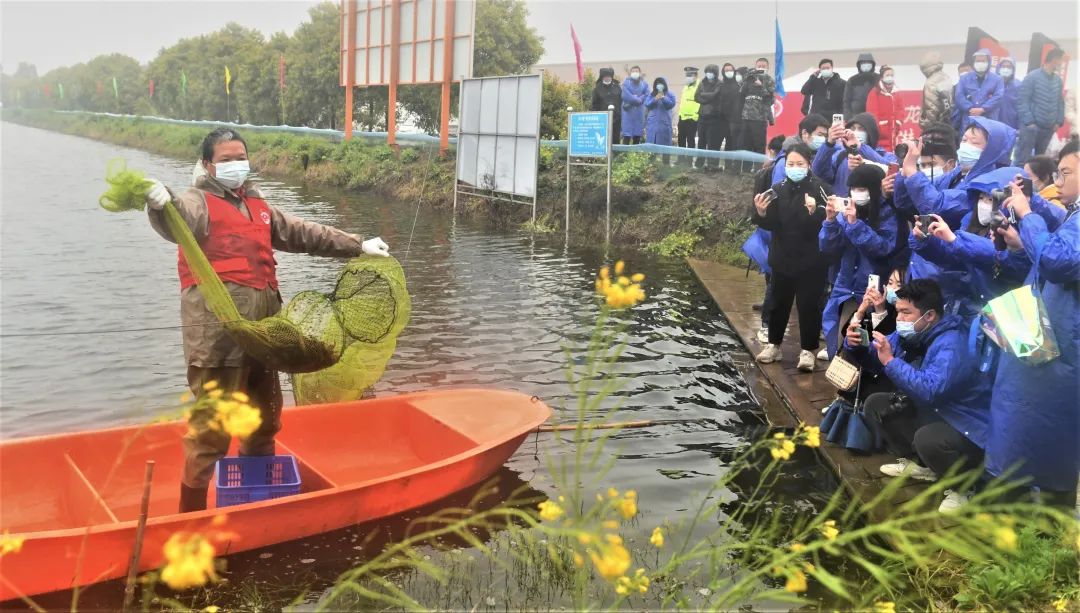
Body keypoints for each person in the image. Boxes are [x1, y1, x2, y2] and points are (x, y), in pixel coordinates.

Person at [143, 128, 391, 512]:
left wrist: (357, 245)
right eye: (225, 159)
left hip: (264, 337)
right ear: (207, 164)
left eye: (240, 157)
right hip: (218, 341)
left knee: (264, 420)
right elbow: (177, 219)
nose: (235, 165)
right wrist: (161, 205)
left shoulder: (254, 203)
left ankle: (255, 505)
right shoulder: (197, 201)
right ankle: (188, 517)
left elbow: (302, 233)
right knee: (213, 431)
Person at [984, 138, 1079, 507]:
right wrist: (1033, 203)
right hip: (1046, 335)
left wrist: (1027, 214)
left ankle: (1032, 528)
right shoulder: (1073, 210)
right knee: (1024, 424)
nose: (1060, 180)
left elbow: (1060, 259)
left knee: (1035, 430)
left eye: (1066, 172)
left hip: (1061, 344)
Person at [847, 279, 991, 512]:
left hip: (966, 422)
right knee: (876, 404)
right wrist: (857, 346)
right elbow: (876, 361)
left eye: (906, 313)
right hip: (935, 413)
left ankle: (964, 488)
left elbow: (930, 391)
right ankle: (922, 465)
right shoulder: (911, 334)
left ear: (930, 315)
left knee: (928, 439)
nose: (899, 319)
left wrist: (891, 362)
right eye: (898, 311)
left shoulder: (951, 343)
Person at [751, 142, 831, 372]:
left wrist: (815, 212)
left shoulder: (821, 189)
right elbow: (771, 224)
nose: (795, 167)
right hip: (782, 257)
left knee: (808, 305)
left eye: (800, 164)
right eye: (791, 164)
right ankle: (774, 345)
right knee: (778, 304)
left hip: (811, 260)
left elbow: (831, 220)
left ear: (809, 165)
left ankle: (808, 350)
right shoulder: (777, 189)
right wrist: (761, 213)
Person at [819, 164, 897, 359]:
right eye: (853, 189)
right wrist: (830, 221)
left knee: (867, 346)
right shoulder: (849, 211)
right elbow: (829, 247)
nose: (856, 194)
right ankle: (843, 383)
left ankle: (859, 387)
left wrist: (855, 225)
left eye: (862, 189)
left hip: (873, 292)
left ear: (875, 188)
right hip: (846, 287)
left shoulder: (888, 214)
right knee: (842, 342)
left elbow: (882, 248)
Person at [812, 111, 894, 197]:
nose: (855, 132)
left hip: (876, 207)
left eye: (861, 129)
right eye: (853, 128)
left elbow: (892, 172)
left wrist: (860, 147)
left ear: (871, 132)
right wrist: (829, 144)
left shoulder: (885, 155)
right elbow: (818, 173)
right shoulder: (840, 155)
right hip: (844, 207)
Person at [1014, 48, 1066, 165]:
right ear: (1054, 59)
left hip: (1048, 128)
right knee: (1023, 160)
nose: (1061, 64)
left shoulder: (1058, 80)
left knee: (1039, 163)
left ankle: (1035, 183)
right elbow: (1022, 101)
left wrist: (1058, 121)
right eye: (1061, 60)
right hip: (1031, 127)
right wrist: (1029, 122)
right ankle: (1018, 181)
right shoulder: (1032, 77)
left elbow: (1060, 102)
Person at [955, 49, 1005, 130]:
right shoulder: (964, 78)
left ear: (989, 62)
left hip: (989, 118)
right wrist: (969, 108)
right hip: (969, 117)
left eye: (983, 61)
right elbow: (959, 95)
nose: (980, 63)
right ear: (974, 62)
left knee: (988, 139)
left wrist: (983, 109)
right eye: (978, 61)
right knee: (968, 140)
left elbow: (998, 96)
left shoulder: (997, 79)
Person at [739, 58, 776, 155]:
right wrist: (747, 78)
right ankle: (746, 168)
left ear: (768, 67)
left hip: (760, 118)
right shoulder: (750, 78)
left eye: (763, 66)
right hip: (746, 117)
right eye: (759, 66)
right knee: (745, 145)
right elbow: (741, 93)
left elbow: (770, 99)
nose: (761, 68)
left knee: (759, 145)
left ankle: (758, 168)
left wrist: (761, 86)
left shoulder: (769, 80)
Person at [865, 66, 903, 152]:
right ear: (882, 77)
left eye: (892, 75)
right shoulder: (874, 92)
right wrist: (878, 127)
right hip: (880, 133)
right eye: (887, 75)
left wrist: (898, 122)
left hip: (894, 130)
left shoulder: (897, 92)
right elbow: (872, 113)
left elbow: (901, 109)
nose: (890, 77)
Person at [693, 63, 723, 169]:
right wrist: (706, 98)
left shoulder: (720, 83)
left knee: (712, 142)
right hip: (702, 116)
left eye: (711, 72)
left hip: (714, 117)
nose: (708, 74)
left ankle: (712, 164)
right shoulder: (702, 83)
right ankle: (699, 163)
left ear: (715, 73)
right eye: (707, 72)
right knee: (701, 141)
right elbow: (696, 97)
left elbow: (716, 95)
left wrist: (703, 95)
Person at [644, 76, 676, 163]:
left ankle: (666, 164)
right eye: (657, 83)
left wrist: (663, 97)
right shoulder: (652, 94)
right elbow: (647, 104)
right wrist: (655, 99)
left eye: (661, 83)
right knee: (651, 146)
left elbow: (671, 104)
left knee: (666, 147)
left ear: (664, 85)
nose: (659, 85)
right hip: (652, 125)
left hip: (664, 124)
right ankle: (650, 164)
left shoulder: (670, 94)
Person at [919, 52, 954, 129]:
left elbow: (932, 108)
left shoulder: (930, 83)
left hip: (936, 127)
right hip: (949, 123)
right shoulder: (946, 78)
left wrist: (925, 124)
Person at [620, 65, 650, 145]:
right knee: (626, 136)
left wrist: (639, 99)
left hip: (639, 113)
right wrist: (637, 99)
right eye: (633, 71)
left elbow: (647, 94)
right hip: (628, 113)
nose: (635, 73)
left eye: (637, 71)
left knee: (637, 136)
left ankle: (636, 156)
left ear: (640, 73)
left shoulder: (644, 84)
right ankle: (624, 155)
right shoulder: (626, 83)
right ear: (630, 73)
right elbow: (625, 95)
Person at [843, 52, 878, 119]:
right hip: (856, 116)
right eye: (863, 63)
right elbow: (846, 101)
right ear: (859, 65)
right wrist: (848, 117)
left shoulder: (878, 79)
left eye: (868, 63)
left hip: (875, 115)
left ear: (872, 65)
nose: (866, 65)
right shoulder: (852, 80)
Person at [677, 67, 700, 165]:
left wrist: (695, 115)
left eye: (690, 75)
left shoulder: (699, 86)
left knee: (690, 140)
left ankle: (689, 161)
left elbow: (699, 102)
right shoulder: (686, 86)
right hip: (682, 117)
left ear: (695, 76)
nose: (688, 77)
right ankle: (681, 159)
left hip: (692, 118)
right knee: (681, 139)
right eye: (687, 75)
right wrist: (680, 114)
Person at [591, 67, 622, 138]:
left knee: (615, 138)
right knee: (603, 137)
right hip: (602, 119)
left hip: (616, 118)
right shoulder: (597, 89)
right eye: (605, 76)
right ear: (602, 77)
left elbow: (621, 101)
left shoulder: (617, 87)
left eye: (609, 76)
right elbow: (594, 105)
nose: (607, 78)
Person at [995, 57, 1020, 130]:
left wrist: (1019, 128)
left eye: (1009, 67)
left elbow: (1021, 108)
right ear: (999, 68)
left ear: (1013, 70)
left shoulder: (1018, 86)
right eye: (1003, 66)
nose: (1006, 69)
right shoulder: (993, 84)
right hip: (993, 123)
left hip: (1011, 125)